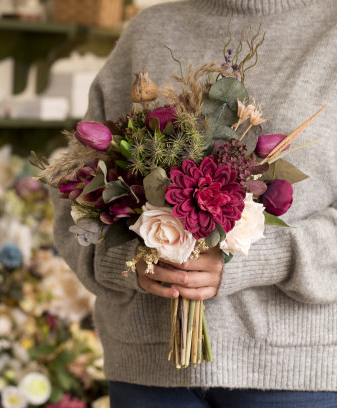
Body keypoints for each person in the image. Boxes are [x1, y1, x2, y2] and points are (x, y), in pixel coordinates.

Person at [51, 0, 337, 406]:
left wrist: (254, 257)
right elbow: (73, 183)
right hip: (147, 370)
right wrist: (130, 262)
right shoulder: (149, 30)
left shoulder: (331, 32)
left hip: (295, 373)